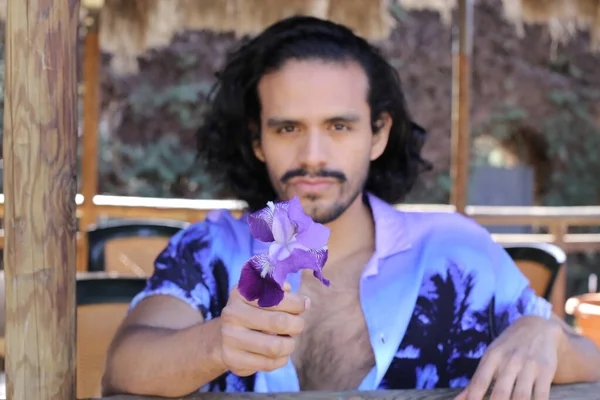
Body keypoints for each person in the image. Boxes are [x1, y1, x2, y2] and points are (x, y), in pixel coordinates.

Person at [101, 15, 600, 400]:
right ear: (257, 142)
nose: (313, 154)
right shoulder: (212, 249)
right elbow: (123, 364)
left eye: (338, 126)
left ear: (378, 134)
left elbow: (589, 361)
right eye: (287, 128)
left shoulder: (457, 253)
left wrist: (545, 334)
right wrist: (215, 344)